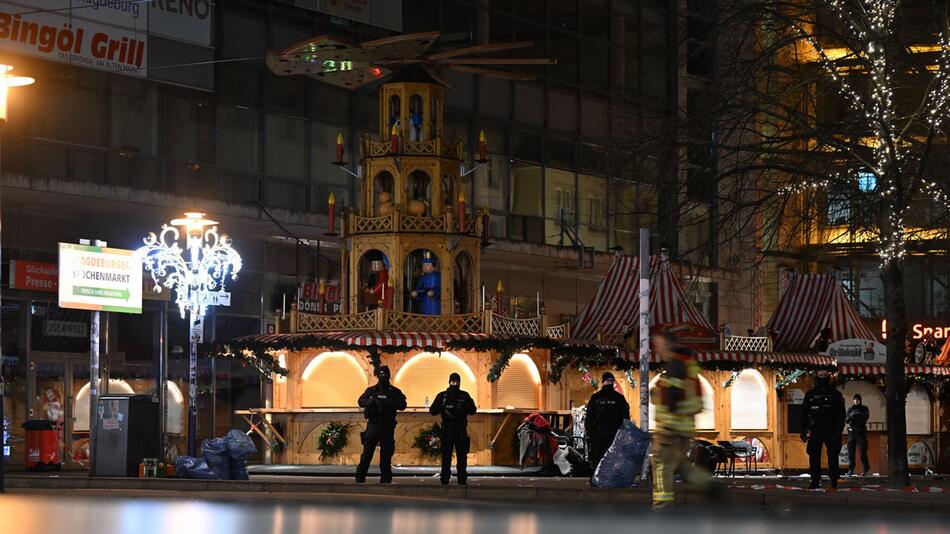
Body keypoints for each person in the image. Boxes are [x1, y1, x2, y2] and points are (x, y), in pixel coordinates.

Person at [651, 332, 716, 510]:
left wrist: (666, 427)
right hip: (683, 427)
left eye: (658, 343)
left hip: (670, 427)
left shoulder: (675, 365)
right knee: (679, 465)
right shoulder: (686, 364)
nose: (656, 347)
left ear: (668, 344)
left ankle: (661, 507)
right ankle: (707, 484)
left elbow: (671, 398)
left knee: (661, 466)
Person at [355, 366, 407, 483]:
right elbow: (360, 401)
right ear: (377, 376)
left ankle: (385, 481)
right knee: (367, 455)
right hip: (373, 426)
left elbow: (402, 405)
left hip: (387, 427)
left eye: (385, 375)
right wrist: (371, 401)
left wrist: (389, 403)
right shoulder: (372, 391)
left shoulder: (394, 391)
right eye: (381, 375)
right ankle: (359, 479)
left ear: (388, 375)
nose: (383, 377)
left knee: (385, 457)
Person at [800, 369, 846, 489]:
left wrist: (838, 431)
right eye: (820, 375)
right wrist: (803, 429)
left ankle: (834, 480)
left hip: (831, 429)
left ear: (828, 377)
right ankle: (815, 480)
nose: (822, 378)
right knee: (814, 455)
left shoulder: (835, 394)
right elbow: (804, 413)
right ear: (816, 377)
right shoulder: (810, 394)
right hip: (816, 429)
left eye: (825, 375)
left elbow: (841, 415)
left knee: (832, 455)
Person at [429, 372, 477, 485]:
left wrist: (463, 407)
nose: (455, 384)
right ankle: (444, 479)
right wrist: (442, 407)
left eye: (457, 382)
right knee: (446, 457)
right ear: (449, 382)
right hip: (447, 430)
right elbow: (432, 410)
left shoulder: (464, 396)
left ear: (460, 383)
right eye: (453, 382)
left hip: (460, 430)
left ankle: (462, 479)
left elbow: (473, 410)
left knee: (462, 457)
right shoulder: (443, 396)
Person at [584, 372, 630, 474]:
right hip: (615, 433)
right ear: (612, 382)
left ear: (602, 382)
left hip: (598, 433)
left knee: (598, 456)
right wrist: (625, 433)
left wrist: (588, 432)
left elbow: (589, 417)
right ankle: (611, 478)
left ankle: (597, 477)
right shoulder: (619, 398)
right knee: (613, 456)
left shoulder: (595, 398)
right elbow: (626, 418)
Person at [845, 393, 870, 477]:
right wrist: (852, 416)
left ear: (860, 400)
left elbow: (866, 417)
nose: (856, 401)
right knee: (851, 453)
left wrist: (858, 415)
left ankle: (866, 468)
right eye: (855, 399)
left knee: (863, 452)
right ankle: (851, 469)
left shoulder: (864, 408)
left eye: (857, 399)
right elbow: (846, 420)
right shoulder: (850, 409)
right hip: (852, 433)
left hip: (861, 432)